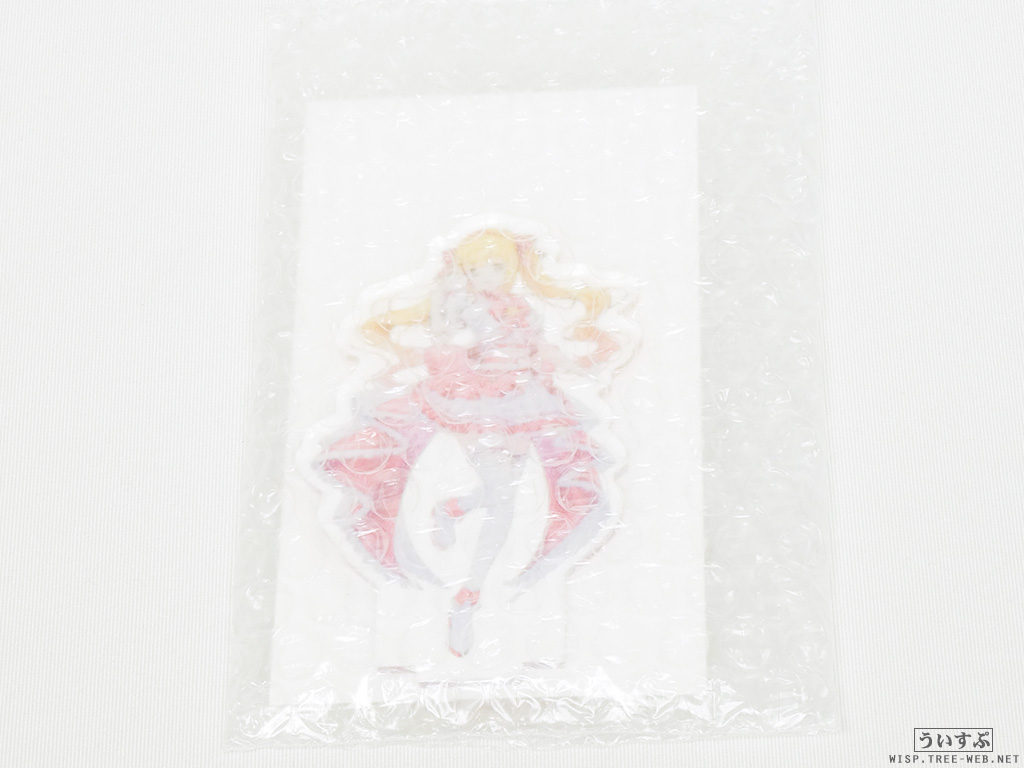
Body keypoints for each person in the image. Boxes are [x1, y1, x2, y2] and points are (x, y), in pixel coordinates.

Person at [309, 219, 635, 656]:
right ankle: (468, 596)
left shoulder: (522, 306)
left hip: (527, 400)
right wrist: (443, 306)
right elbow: (447, 340)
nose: (487, 276)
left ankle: (455, 511)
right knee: (503, 501)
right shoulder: (464, 304)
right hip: (479, 402)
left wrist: (584, 364)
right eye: (476, 269)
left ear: (512, 268)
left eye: (496, 267)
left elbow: (539, 349)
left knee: (506, 495)